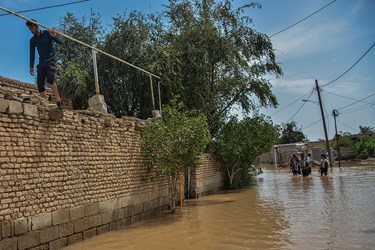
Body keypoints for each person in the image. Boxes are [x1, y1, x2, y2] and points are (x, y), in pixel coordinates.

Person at [26, 19, 63, 108]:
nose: (31, 31)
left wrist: (54, 36)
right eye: (29, 29)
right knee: (40, 84)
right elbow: (32, 53)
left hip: (51, 60)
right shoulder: (32, 40)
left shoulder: (47, 33)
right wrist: (31, 66)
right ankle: (45, 104)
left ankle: (59, 101)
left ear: (36, 26)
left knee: (50, 80)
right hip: (42, 62)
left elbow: (60, 42)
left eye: (32, 28)